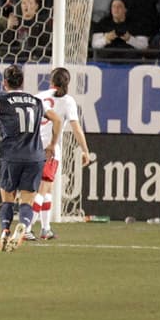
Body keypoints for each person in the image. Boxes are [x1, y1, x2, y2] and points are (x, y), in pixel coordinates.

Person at [0, 64, 61, 252]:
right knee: (27, 201)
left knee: (7, 200)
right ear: (22, 82)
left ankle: (4, 231)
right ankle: (24, 226)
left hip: (12, 157)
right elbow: (57, 119)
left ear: (4, 83)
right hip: (35, 158)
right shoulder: (36, 100)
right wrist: (51, 145)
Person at [32, 67, 92, 241]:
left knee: (47, 188)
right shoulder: (67, 101)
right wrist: (85, 150)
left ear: (51, 81)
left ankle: (45, 229)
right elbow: (76, 128)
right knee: (42, 189)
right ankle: (27, 228)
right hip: (50, 148)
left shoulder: (39, 96)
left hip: (32, 146)